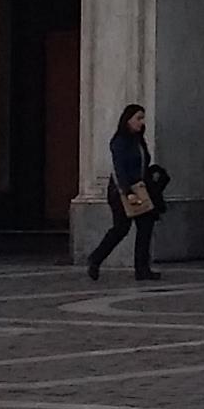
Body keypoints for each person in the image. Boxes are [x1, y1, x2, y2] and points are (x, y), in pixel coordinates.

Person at [86, 104, 164, 281]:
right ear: (128, 120)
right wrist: (127, 191)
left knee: (145, 225)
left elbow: (142, 163)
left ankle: (142, 268)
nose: (141, 122)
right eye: (138, 118)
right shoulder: (119, 141)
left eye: (143, 118)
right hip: (124, 191)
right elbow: (119, 168)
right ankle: (96, 258)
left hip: (140, 189)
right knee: (121, 228)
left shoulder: (138, 140)